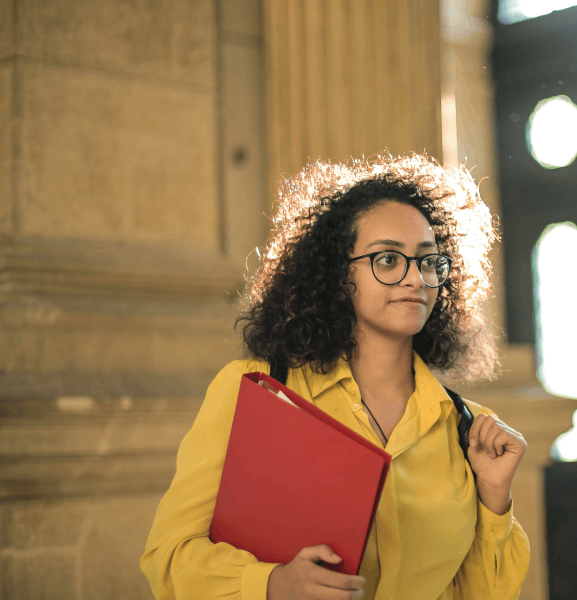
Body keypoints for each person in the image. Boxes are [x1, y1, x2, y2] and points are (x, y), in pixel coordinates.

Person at [140, 152, 531, 600]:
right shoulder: (258, 392)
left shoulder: (467, 430)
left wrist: (494, 496)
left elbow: (483, 594)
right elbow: (168, 559)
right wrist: (271, 585)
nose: (415, 279)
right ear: (339, 275)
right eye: (387, 259)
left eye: (428, 261)